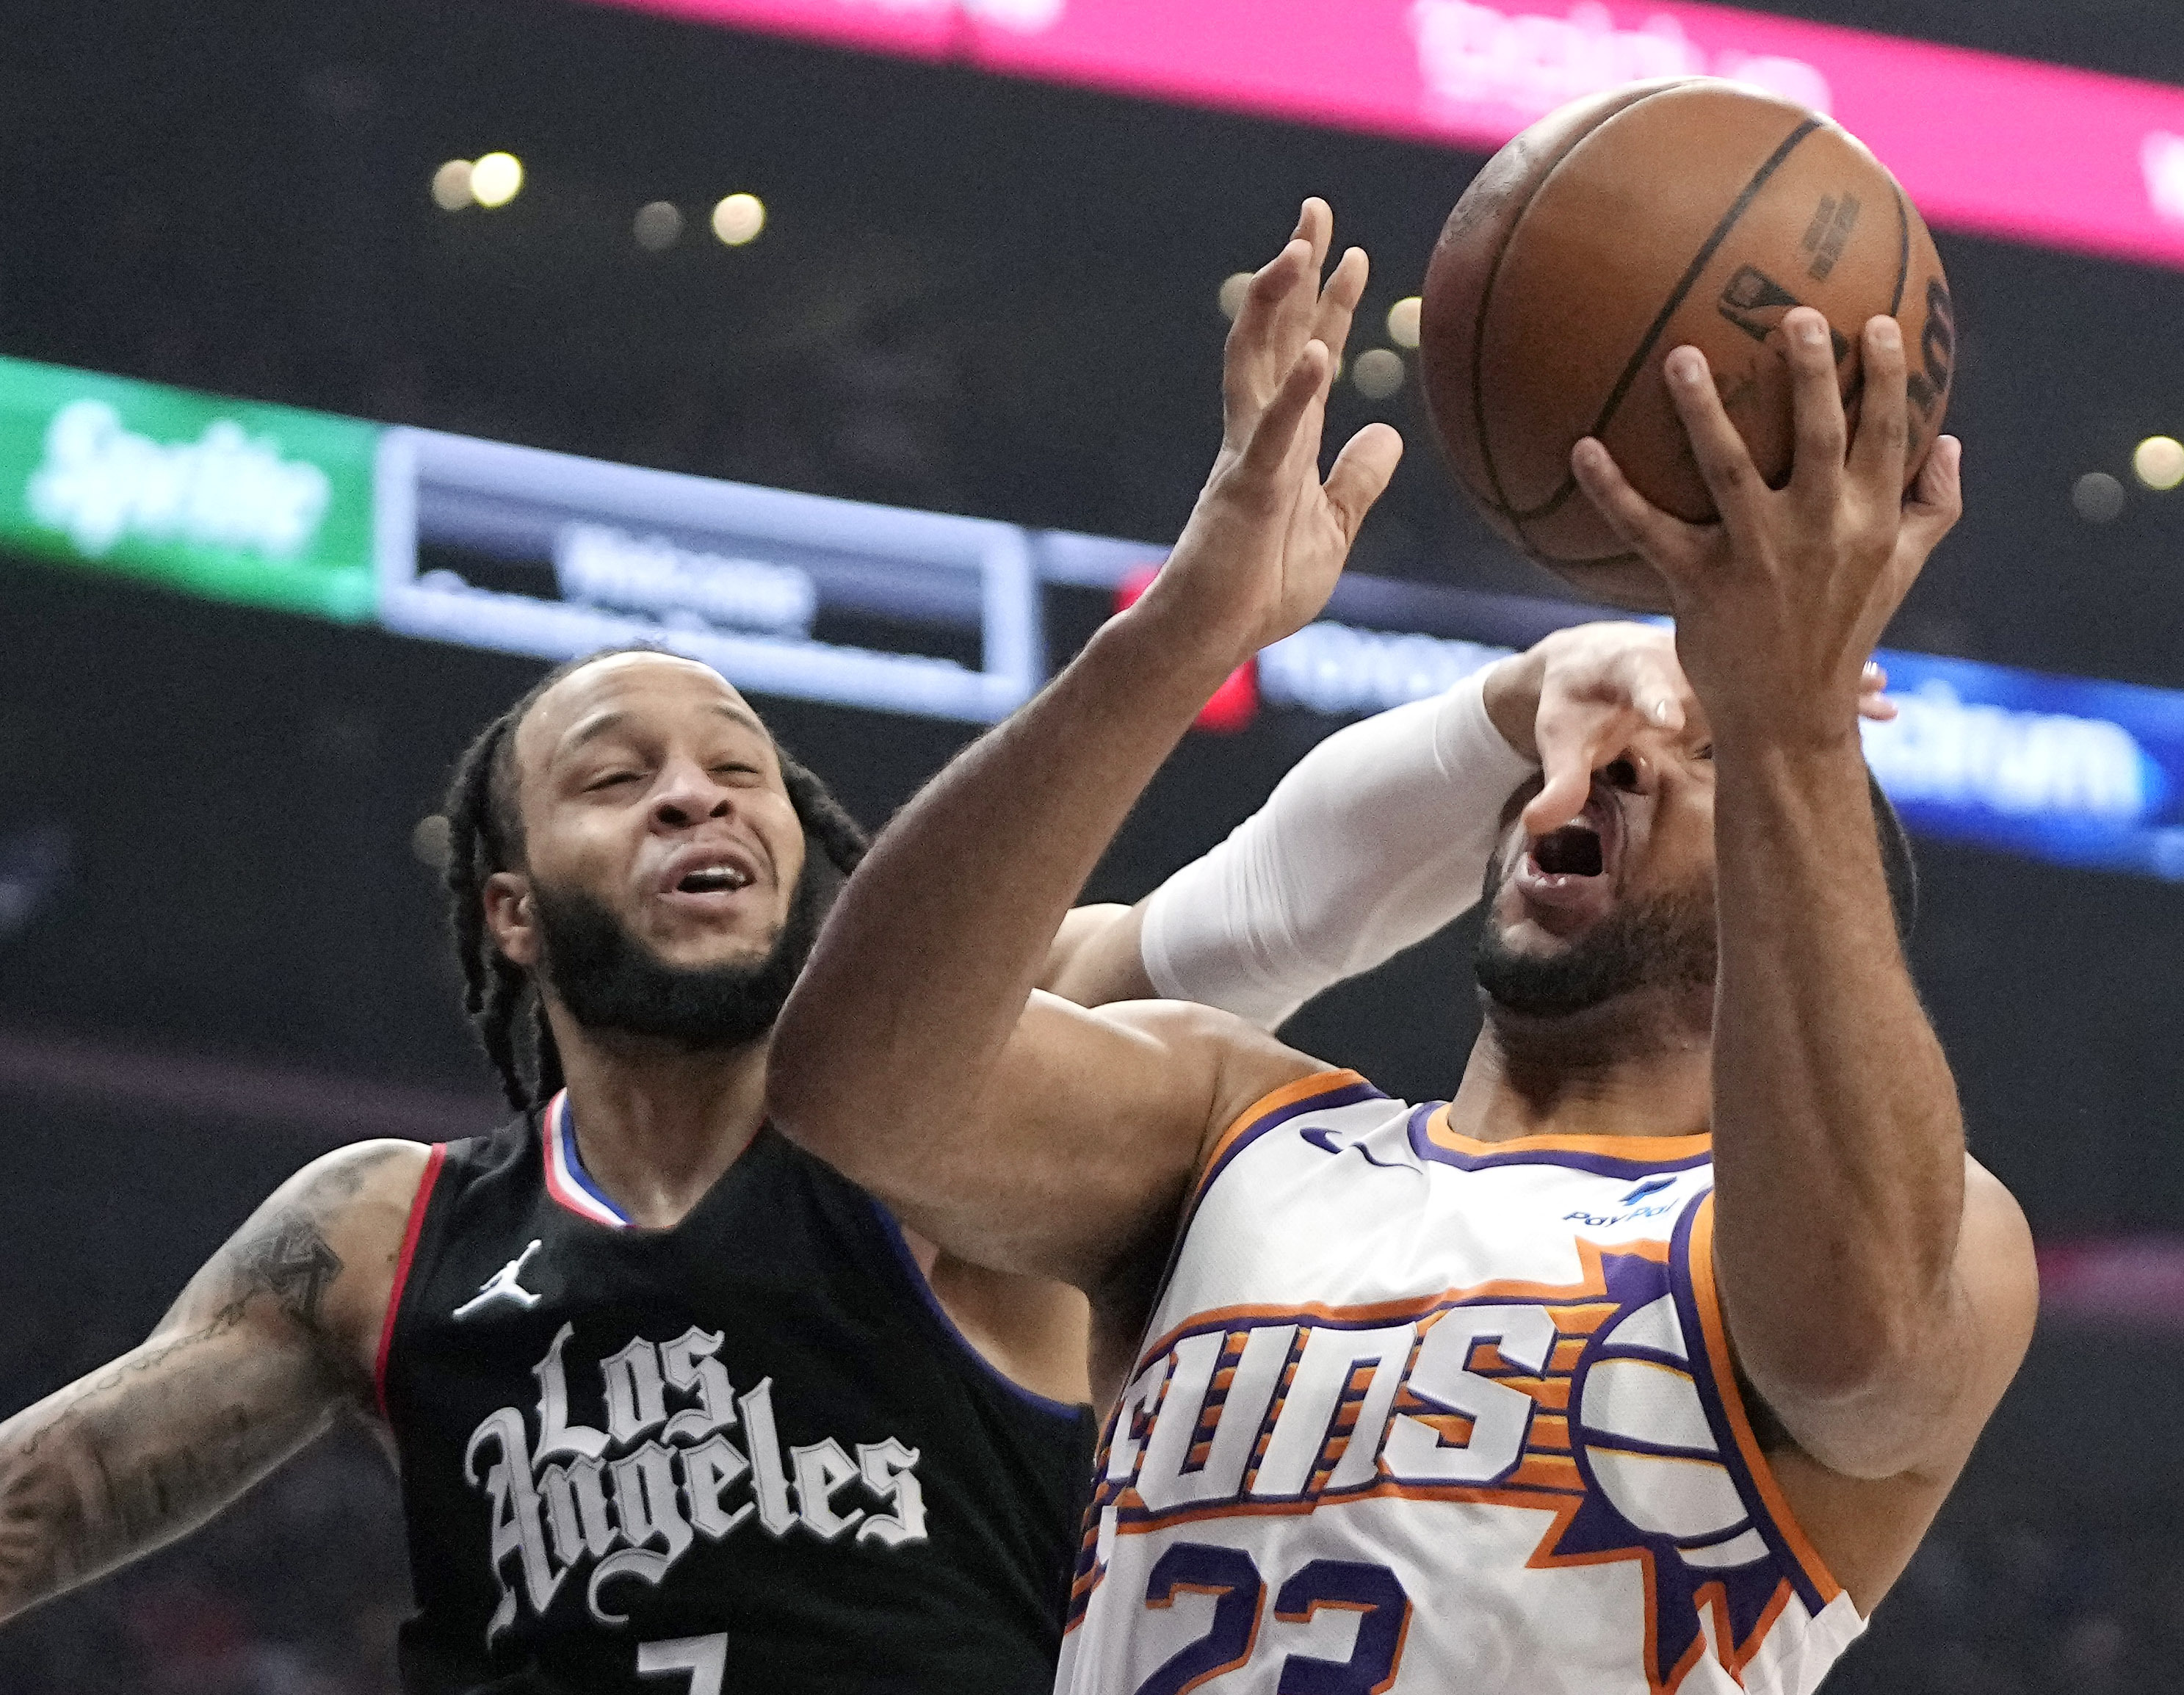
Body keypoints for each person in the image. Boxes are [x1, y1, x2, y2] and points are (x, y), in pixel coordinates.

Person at [0, 203, 1794, 1694]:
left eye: (740, 774)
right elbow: (60, 1487)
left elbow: (1276, 900)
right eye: (620, 781)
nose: (701, 803)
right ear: (511, 906)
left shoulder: (980, 1102)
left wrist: (1518, 701)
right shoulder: (385, 1234)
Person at [767, 208, 2037, 1694]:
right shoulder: (1223, 1128)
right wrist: (1181, 635)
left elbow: (1858, 1353)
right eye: (1571, 757)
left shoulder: (1911, 1231)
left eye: (1693, 764)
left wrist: (1792, 726)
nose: (1604, 770)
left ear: (1795, 874)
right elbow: (858, 1080)